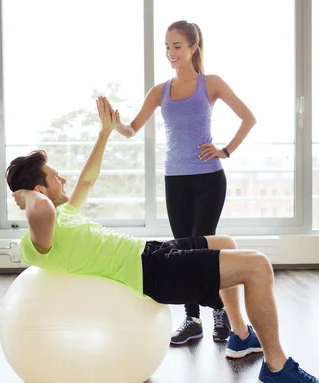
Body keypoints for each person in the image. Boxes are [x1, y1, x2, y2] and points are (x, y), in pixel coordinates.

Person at [6, 97, 319, 383]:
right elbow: (41, 210)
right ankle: (276, 369)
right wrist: (26, 195)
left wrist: (105, 133)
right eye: (54, 177)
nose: (64, 180)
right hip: (152, 273)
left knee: (226, 243)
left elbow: (87, 180)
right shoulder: (40, 239)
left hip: (151, 252)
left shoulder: (65, 213)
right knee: (258, 265)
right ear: (38, 190)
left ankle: (240, 336)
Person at [107, 20, 257, 344]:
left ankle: (219, 313)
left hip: (208, 178)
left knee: (203, 247)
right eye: (167, 46)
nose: (170, 52)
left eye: (177, 46)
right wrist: (114, 123)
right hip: (175, 179)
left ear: (192, 48)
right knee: (184, 252)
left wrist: (225, 150)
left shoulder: (210, 83)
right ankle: (192, 319)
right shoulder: (159, 91)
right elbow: (132, 129)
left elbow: (249, 118)